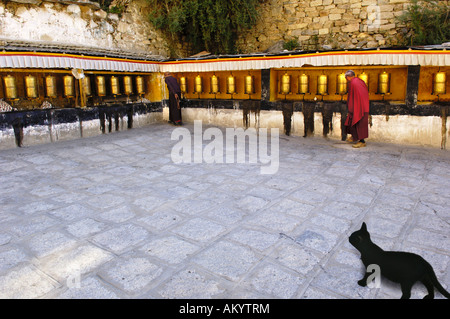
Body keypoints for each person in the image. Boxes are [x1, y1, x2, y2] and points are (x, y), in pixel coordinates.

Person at [344, 70, 369, 148]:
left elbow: (352, 96)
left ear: (348, 77)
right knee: (352, 122)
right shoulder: (359, 81)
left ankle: (362, 141)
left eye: (346, 78)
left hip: (359, 107)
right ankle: (354, 137)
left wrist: (352, 106)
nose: (346, 80)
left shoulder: (353, 83)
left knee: (359, 124)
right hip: (363, 105)